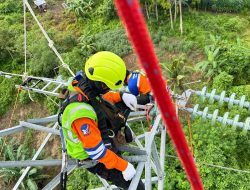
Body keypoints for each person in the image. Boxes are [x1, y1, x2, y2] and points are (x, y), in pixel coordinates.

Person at [59, 51, 145, 189]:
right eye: (107, 87)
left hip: (94, 132)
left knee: (119, 106)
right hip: (91, 155)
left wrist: (120, 96)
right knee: (137, 186)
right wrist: (123, 166)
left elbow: (97, 100)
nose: (107, 90)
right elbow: (96, 152)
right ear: (101, 84)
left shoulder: (83, 83)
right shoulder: (81, 115)